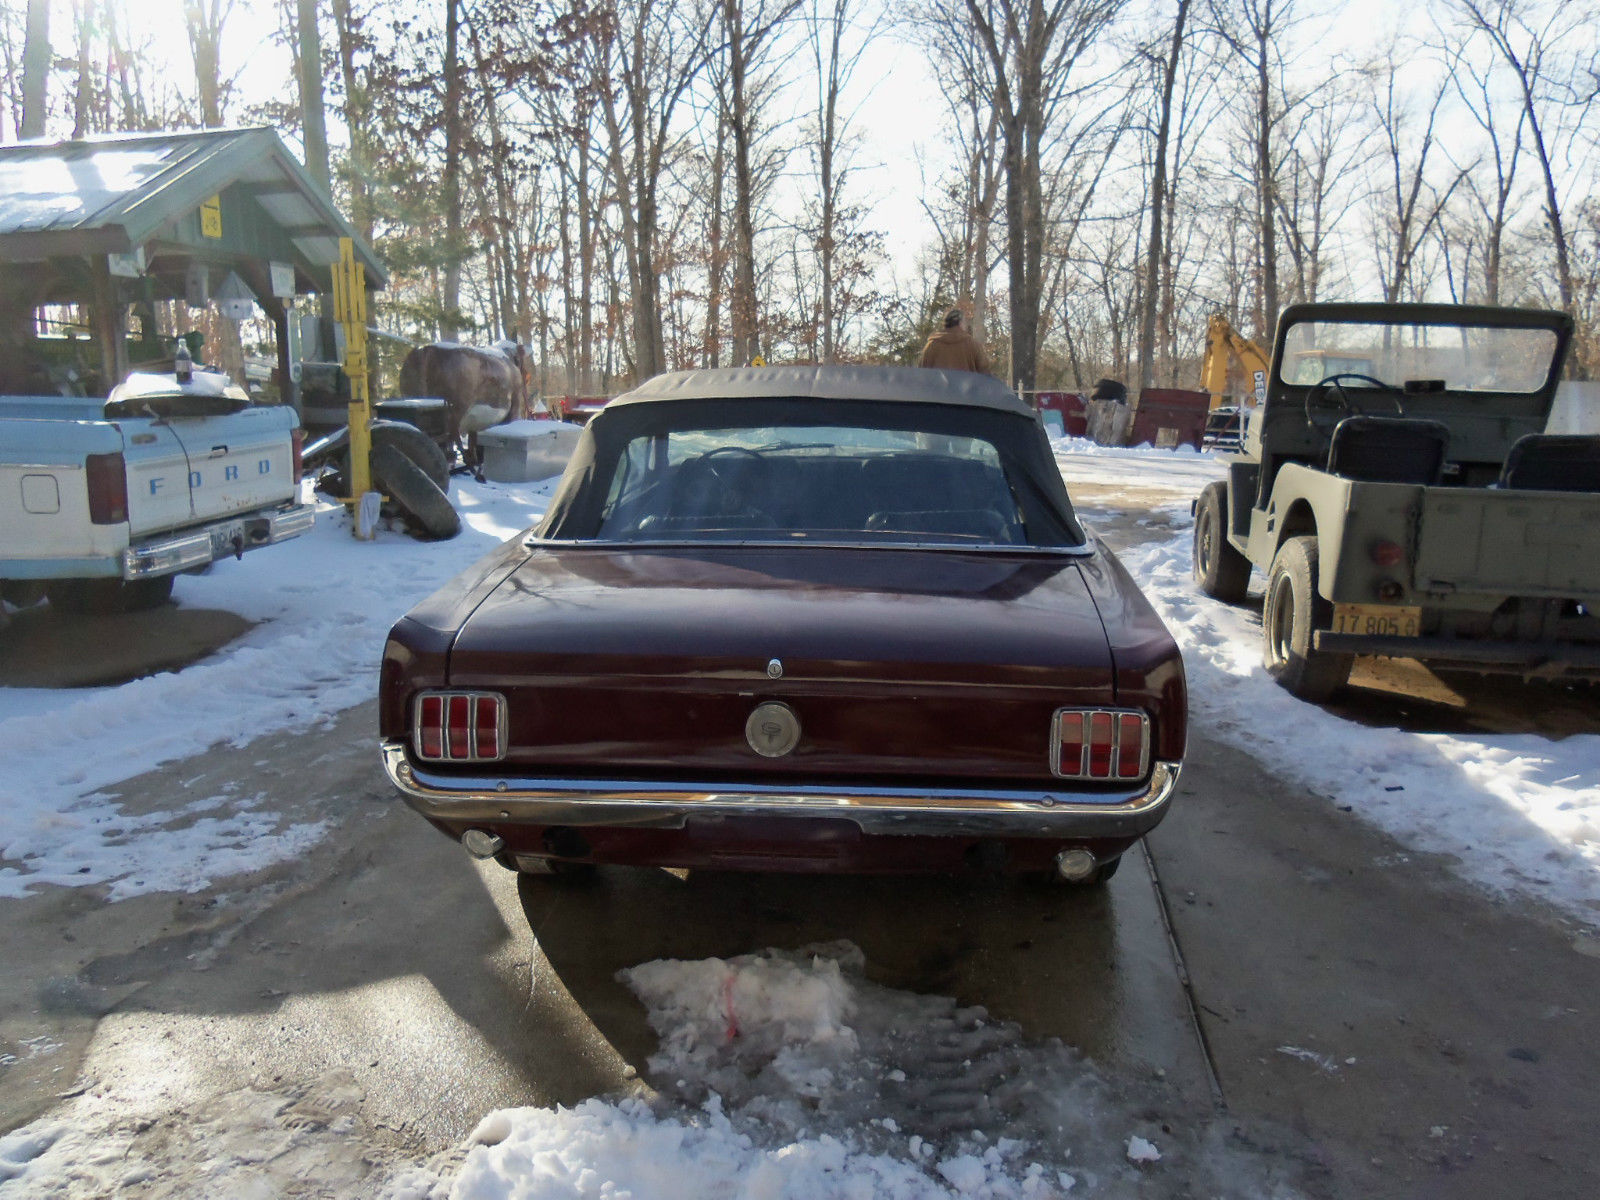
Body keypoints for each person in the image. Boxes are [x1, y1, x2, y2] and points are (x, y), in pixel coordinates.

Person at [919, 308, 992, 374]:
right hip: (966, 388)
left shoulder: (932, 345)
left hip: (938, 388)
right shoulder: (973, 345)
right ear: (960, 323)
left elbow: (922, 374)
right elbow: (985, 373)